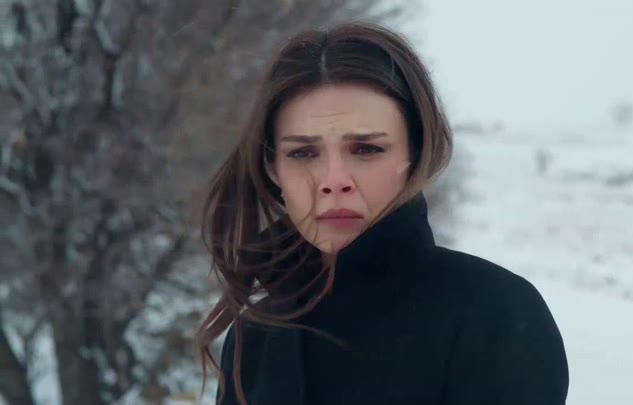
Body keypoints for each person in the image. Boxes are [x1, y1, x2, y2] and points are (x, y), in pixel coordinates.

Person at [196, 21, 569, 405]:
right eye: (303, 153)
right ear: (273, 169)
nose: (333, 181)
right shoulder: (256, 333)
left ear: (415, 156)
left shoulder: (492, 313)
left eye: (366, 150)